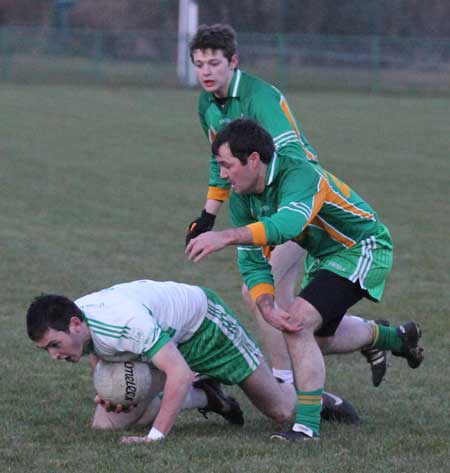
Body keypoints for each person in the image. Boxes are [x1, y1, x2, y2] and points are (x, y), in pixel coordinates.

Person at [185, 118, 424, 441]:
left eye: (227, 165)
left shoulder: (300, 174)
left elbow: (286, 225)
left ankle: (306, 427)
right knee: (318, 340)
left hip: (361, 247)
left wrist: (225, 235)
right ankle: (395, 338)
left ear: (253, 159)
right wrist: (266, 304)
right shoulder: (242, 195)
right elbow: (252, 258)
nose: (222, 175)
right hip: (326, 256)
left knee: (297, 323)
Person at [185, 23, 387, 388]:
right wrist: (207, 215)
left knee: (259, 291)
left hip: (297, 204)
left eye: (214, 63)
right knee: (309, 326)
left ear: (233, 62)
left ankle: (283, 383)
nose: (206, 72)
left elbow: (291, 156)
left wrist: (265, 209)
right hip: (263, 202)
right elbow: (221, 163)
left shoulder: (261, 97)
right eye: (199, 64)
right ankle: (385, 336)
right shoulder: (206, 105)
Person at [26, 279, 357, 444]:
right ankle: (207, 396)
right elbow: (98, 352)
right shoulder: (80, 324)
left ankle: (319, 399)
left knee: (280, 411)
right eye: (47, 350)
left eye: (54, 345)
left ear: (74, 324)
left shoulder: (123, 323)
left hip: (202, 326)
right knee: (106, 425)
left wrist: (155, 437)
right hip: (158, 339)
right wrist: (107, 388)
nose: (54, 355)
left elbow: (179, 373)